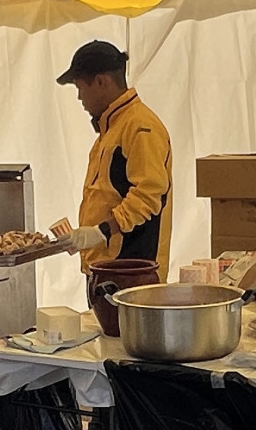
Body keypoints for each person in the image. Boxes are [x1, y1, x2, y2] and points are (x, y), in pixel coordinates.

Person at [55, 40, 174, 279]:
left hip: (132, 271)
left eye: (80, 88)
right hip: (108, 267)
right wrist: (87, 237)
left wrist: (101, 232)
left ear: (101, 81)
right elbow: (105, 195)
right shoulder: (113, 128)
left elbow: (149, 195)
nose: (79, 98)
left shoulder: (140, 126)